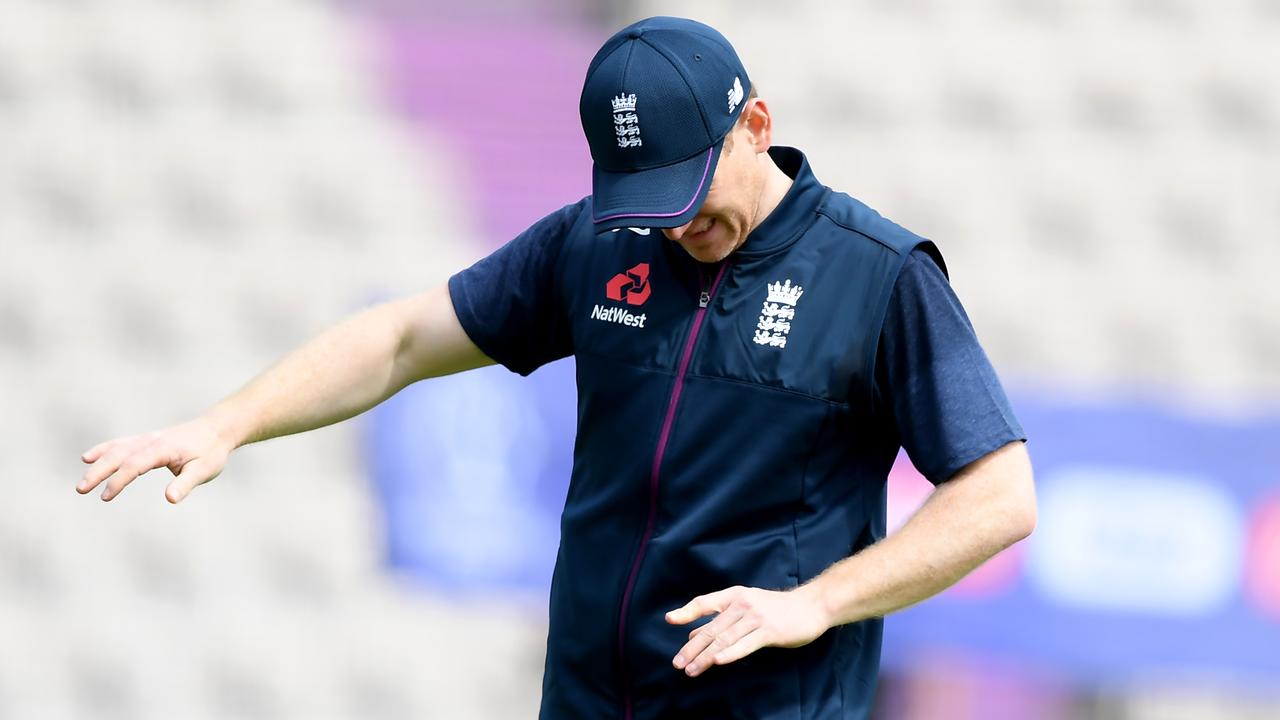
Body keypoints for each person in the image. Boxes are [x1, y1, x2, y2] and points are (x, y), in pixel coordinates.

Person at [77, 16, 1036, 720]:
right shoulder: (594, 243)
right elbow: (404, 338)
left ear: (756, 125)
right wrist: (227, 422)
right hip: (583, 699)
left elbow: (1000, 497)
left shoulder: (879, 275)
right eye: (650, 203)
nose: (677, 226)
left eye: (692, 194)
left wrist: (815, 603)